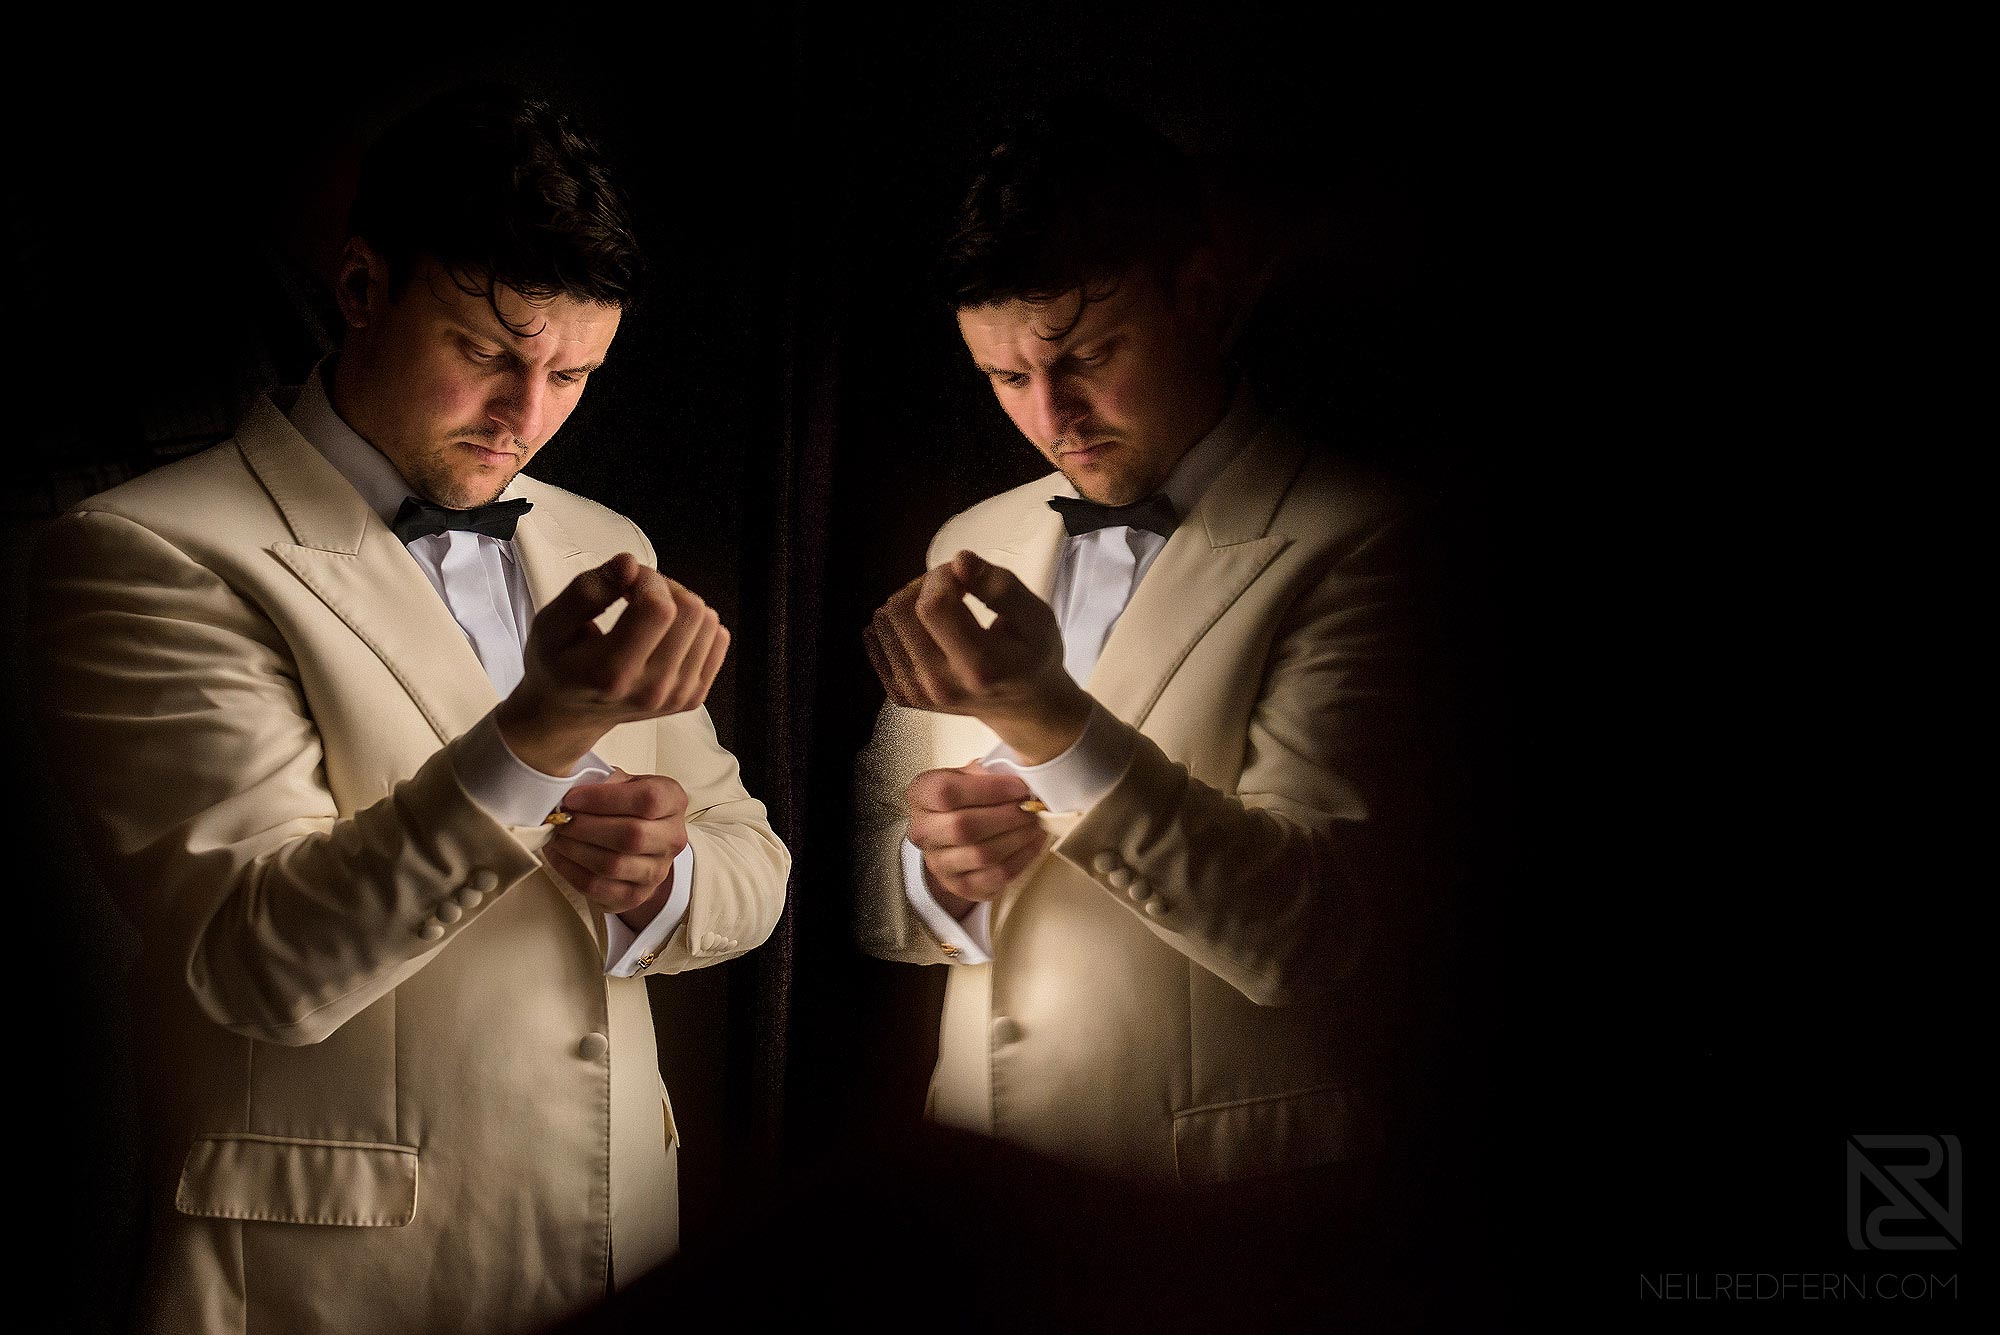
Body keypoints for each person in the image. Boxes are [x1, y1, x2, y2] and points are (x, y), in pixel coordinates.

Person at [30, 85, 789, 1335]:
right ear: (361, 286)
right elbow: (260, 964)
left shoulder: (602, 542)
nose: (526, 417)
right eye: (487, 353)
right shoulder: (145, 551)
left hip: (616, 1249)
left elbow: (753, 864)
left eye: (572, 373)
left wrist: (666, 884)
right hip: (324, 1286)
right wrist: (536, 737)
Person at [854, 100, 1442, 1196]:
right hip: (981, 1190)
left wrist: (1049, 722)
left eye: (1085, 355)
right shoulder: (967, 542)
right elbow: (880, 877)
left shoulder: (1363, 536)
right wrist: (931, 877)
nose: (1052, 417)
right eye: (1004, 378)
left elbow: (1312, 932)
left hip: (1228, 1206)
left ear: (1202, 299)